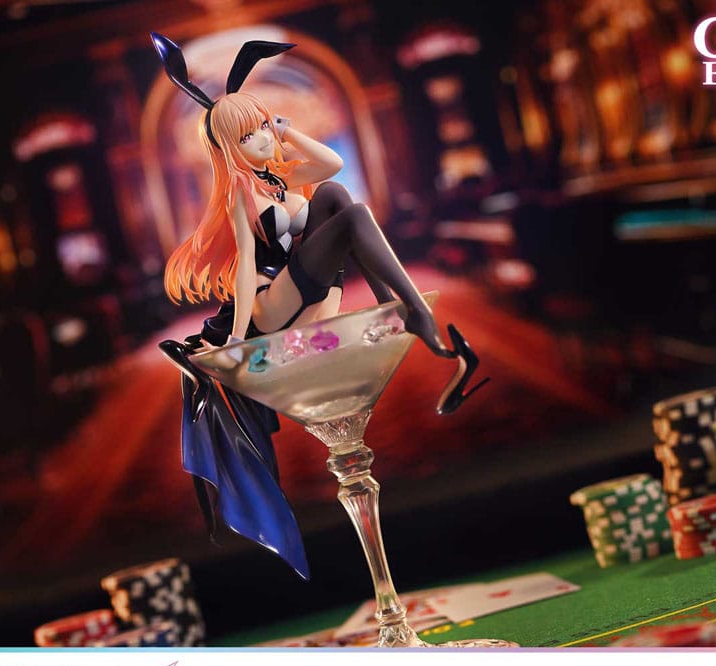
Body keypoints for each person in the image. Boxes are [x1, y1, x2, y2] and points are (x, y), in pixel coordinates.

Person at [151, 34, 487, 578]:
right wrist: (237, 336)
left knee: (336, 198)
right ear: (228, 148)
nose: (262, 140)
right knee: (352, 217)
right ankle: (414, 315)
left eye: (263, 127)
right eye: (248, 136)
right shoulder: (241, 193)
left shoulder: (280, 177)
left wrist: (286, 131)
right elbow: (244, 266)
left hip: (310, 294)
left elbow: (330, 163)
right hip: (273, 305)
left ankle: (393, 306)